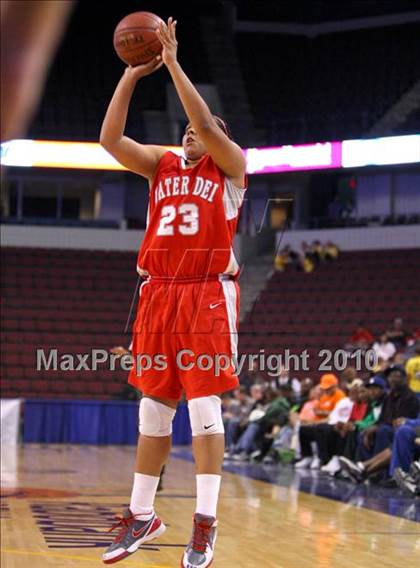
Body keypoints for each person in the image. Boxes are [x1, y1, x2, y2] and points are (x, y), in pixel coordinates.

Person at [99, 18, 247, 568]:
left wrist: (175, 62)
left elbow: (206, 125)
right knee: (153, 409)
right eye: (184, 130)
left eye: (202, 130)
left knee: (204, 405)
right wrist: (135, 74)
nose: (191, 133)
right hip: (158, 292)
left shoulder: (231, 170)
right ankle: (142, 514)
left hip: (207, 292)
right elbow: (110, 141)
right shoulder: (161, 165)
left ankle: (204, 523)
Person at [339, 366, 419, 481]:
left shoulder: (411, 397)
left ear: (405, 378)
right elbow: (382, 419)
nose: (392, 379)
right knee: (365, 432)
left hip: (401, 430)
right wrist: (373, 427)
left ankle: (371, 472)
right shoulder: (389, 398)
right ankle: (361, 469)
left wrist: (405, 422)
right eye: (390, 376)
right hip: (401, 430)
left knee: (385, 431)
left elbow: (402, 422)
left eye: (396, 375)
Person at [295, 373, 345, 469]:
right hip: (320, 421)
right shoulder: (324, 396)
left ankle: (322, 458)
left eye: (329, 388)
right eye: (325, 388)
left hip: (331, 423)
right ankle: (308, 456)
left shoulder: (340, 396)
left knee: (320, 429)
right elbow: (317, 411)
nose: (326, 390)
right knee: (303, 429)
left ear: (335, 386)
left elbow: (334, 414)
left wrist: (323, 414)